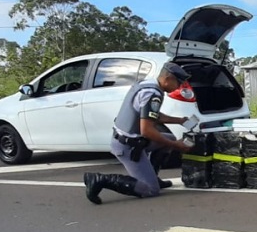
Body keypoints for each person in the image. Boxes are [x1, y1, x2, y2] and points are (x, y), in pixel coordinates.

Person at [83, 61, 197, 204]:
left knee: (169, 139)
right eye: (178, 83)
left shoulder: (147, 84)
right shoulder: (152, 94)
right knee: (150, 189)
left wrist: (179, 120)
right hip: (127, 146)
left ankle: (152, 176)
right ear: (168, 79)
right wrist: (175, 145)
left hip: (133, 140)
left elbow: (151, 115)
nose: (179, 87)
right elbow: (147, 130)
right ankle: (100, 179)